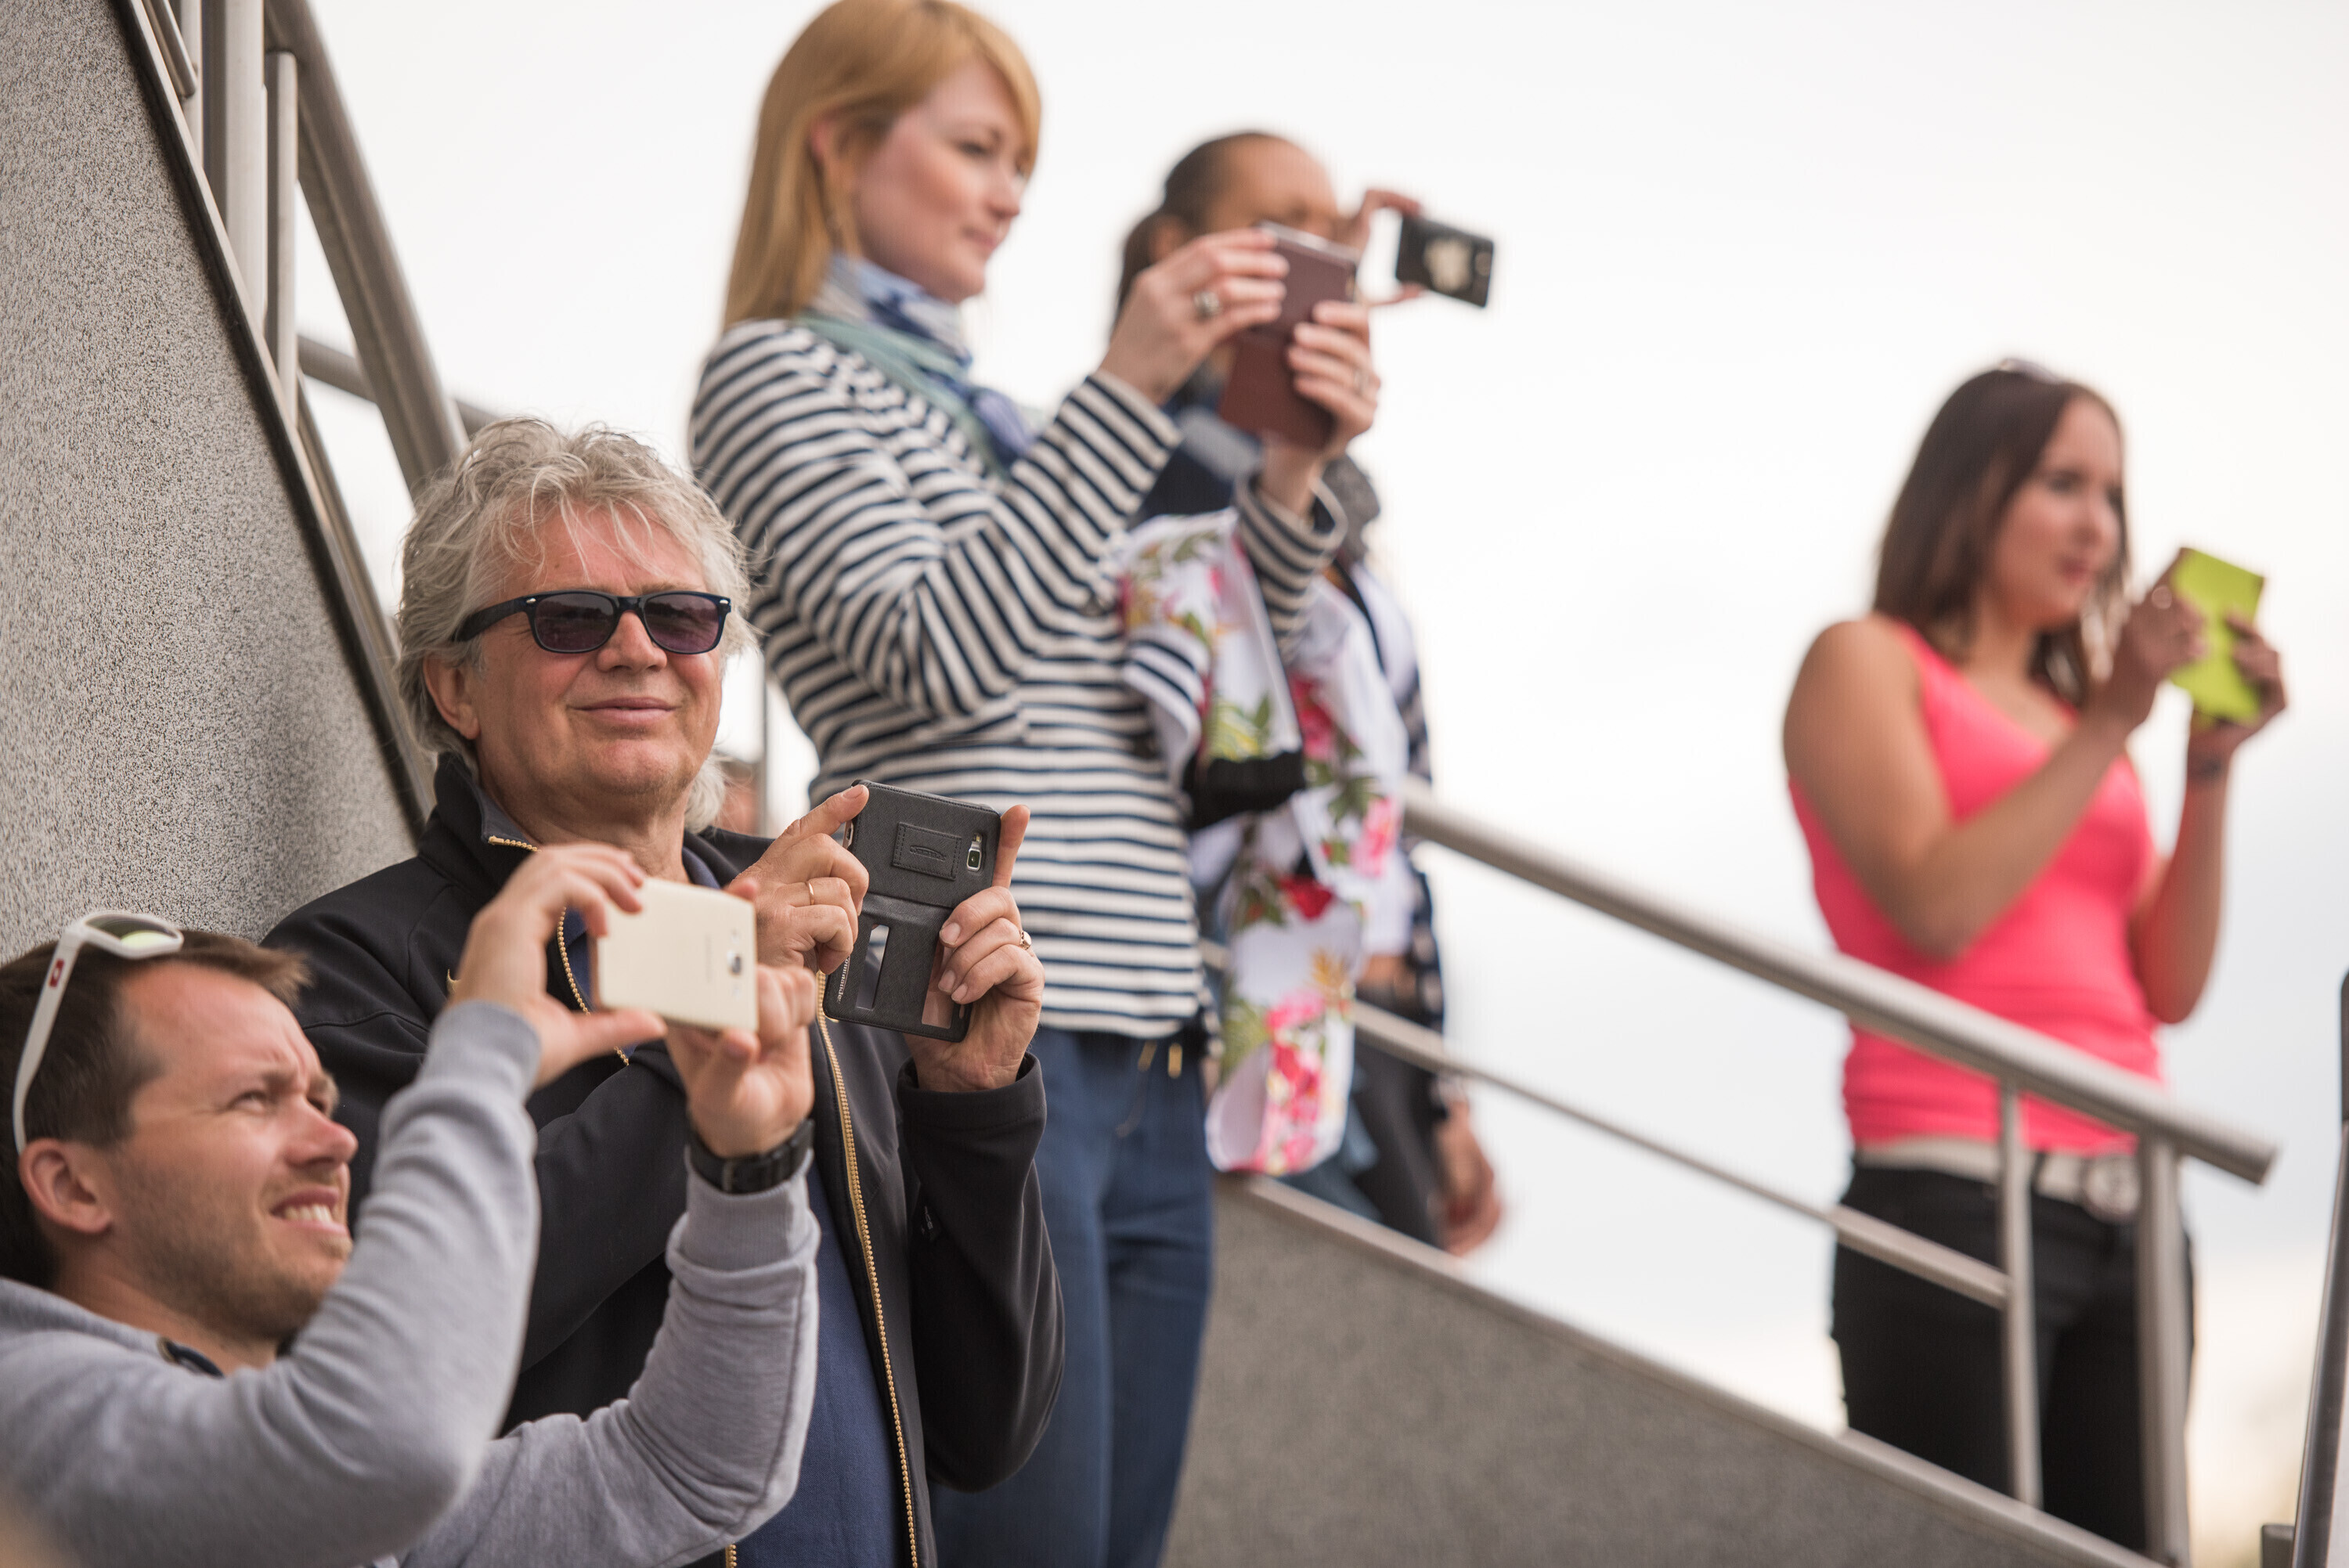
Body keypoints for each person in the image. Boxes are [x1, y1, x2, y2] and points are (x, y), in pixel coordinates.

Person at [688, 5, 1381, 1563]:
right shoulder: (771, 374)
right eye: (977, 148)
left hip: (1143, 1043)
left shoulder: (993, 418)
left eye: (1022, 163)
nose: (1011, 195)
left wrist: (1292, 474)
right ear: (839, 144)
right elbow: (933, 650)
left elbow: (1205, 680)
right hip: (981, 1023)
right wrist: (1129, 389)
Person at [267, 416, 1057, 1568]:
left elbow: (988, 1432)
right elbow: (408, 1344)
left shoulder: (822, 929)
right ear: (455, 684)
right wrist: (718, 988)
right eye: (570, 618)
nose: (637, 649)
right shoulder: (349, 967)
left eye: (681, 615)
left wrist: (975, 1107)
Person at [1782, 362, 2287, 1548]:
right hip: (1956, 1182)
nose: (2097, 527)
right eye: (2063, 483)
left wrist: (2207, 767)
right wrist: (2114, 716)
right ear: (1970, 490)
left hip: (2134, 1201)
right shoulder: (1867, 659)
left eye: (2111, 493)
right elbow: (1937, 906)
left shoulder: (2082, 728)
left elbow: (2168, 985)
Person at [0, 842, 824, 1567]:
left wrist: (748, 1165)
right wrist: (482, 1054)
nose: (336, 1141)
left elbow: (689, 1470)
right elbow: (387, 1446)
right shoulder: (32, 1419)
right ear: (72, 1184)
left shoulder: (319, 1484)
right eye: (254, 1097)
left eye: (320, 1099)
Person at [1119, 130, 1500, 1256]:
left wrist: (1444, 1082)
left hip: (1369, 1007)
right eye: (1276, 229)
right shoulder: (1135, 460)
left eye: (1328, 237)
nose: (1310, 258)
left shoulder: (1342, 513)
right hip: (1242, 973)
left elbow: (1391, 816)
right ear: (1178, 249)